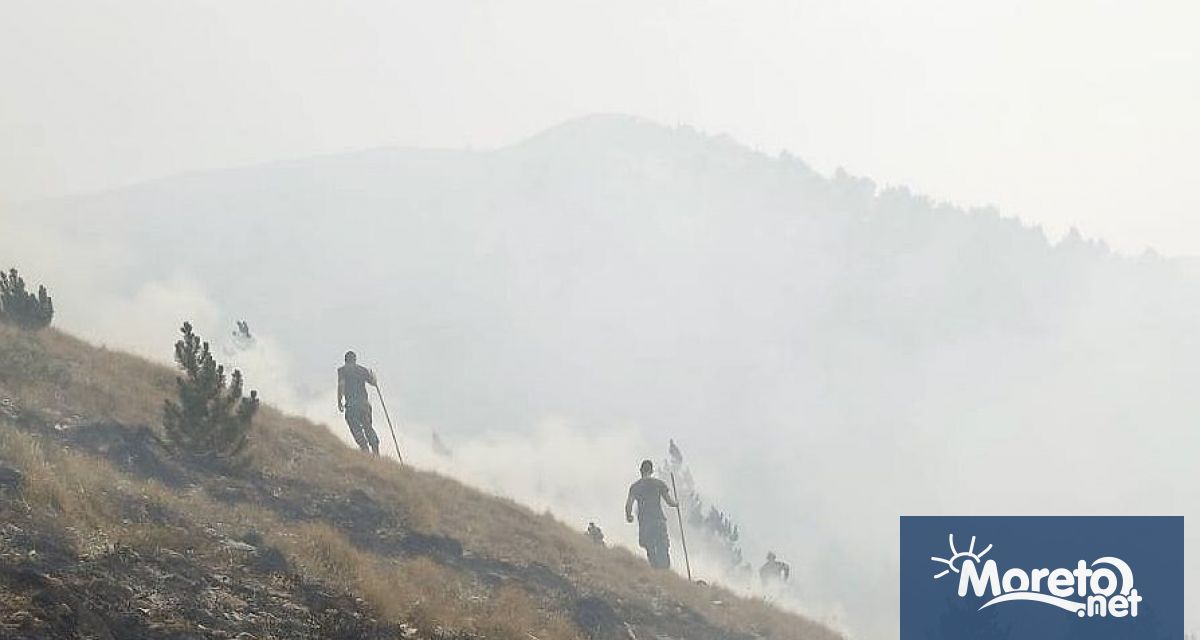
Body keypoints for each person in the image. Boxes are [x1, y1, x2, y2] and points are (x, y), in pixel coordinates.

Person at [625, 459, 678, 569]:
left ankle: (655, 570)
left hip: (645, 523)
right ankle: (665, 573)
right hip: (659, 521)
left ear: (641, 470)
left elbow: (628, 504)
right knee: (662, 547)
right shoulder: (659, 484)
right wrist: (676, 503)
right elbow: (669, 502)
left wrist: (629, 516)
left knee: (649, 547)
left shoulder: (635, 486)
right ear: (652, 470)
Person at [337, 350, 380, 455]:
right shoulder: (363, 370)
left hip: (352, 405)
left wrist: (339, 400)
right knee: (368, 426)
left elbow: (341, 385)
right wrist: (373, 376)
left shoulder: (343, 370)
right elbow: (373, 383)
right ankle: (375, 449)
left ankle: (364, 449)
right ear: (355, 359)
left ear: (346, 360)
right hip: (365, 405)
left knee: (355, 427)